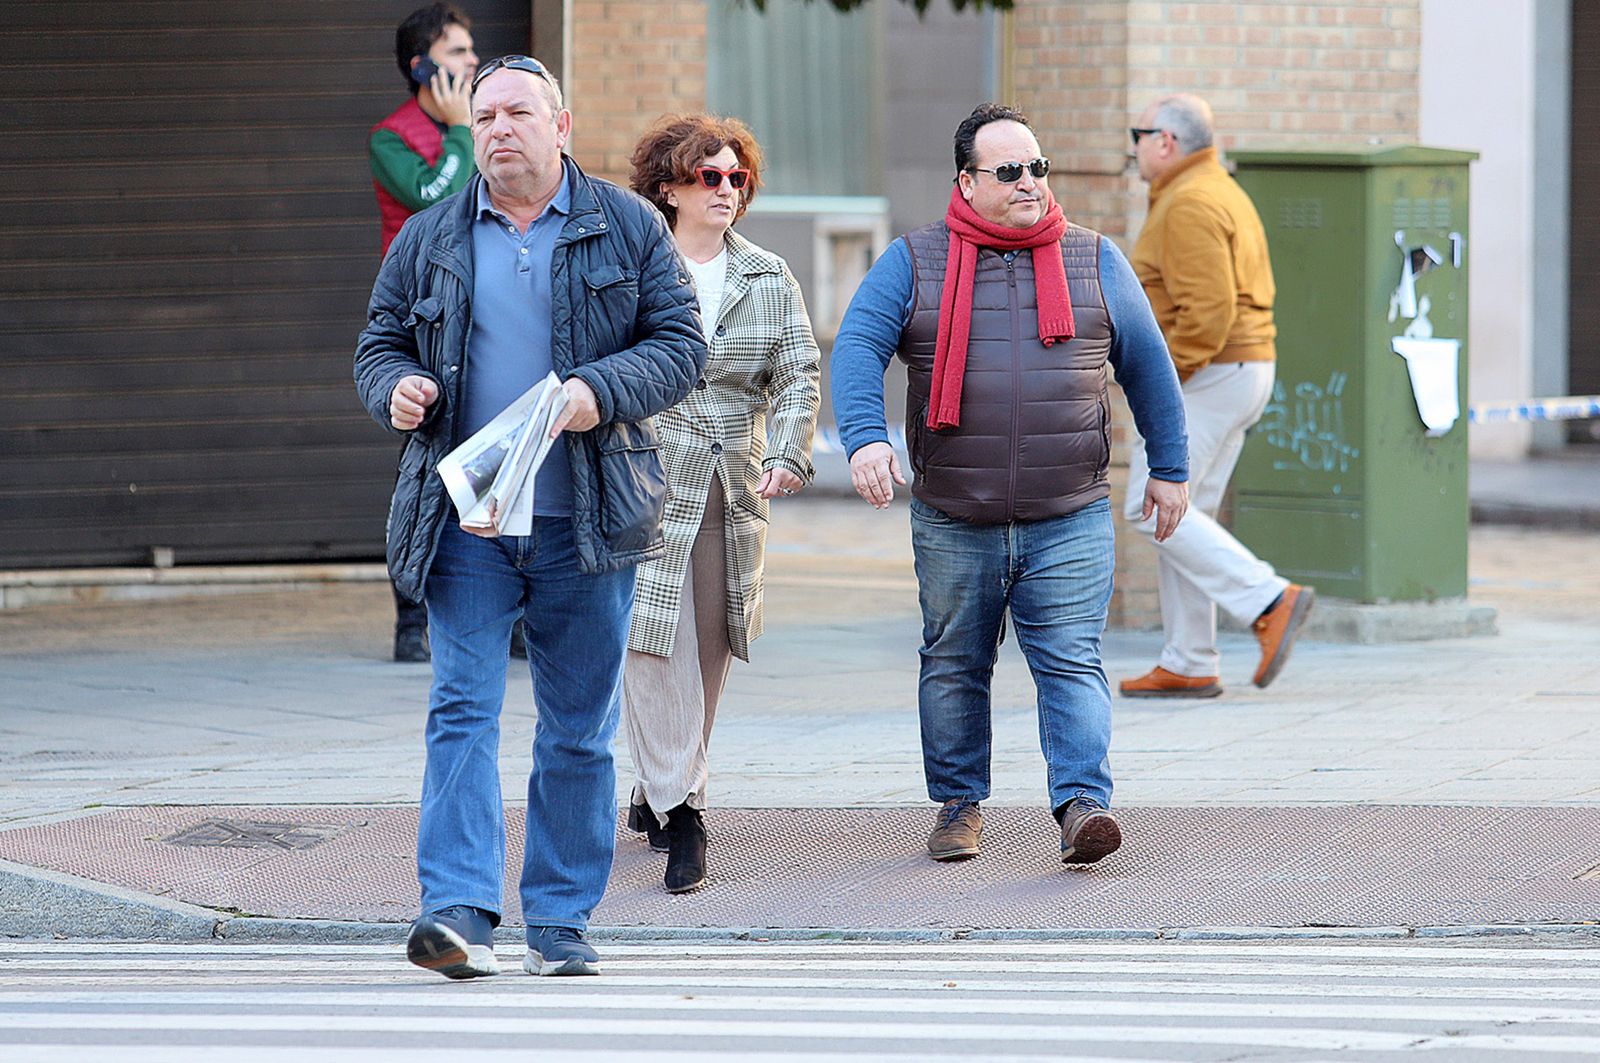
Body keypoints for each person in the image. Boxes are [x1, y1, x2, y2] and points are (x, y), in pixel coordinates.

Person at [354, 55, 707, 980]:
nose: (500, 128)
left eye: (519, 111)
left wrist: (599, 390)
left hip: (586, 521)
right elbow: (378, 344)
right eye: (485, 116)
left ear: (562, 124)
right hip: (466, 523)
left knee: (577, 726)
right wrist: (397, 388)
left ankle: (559, 920)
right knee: (461, 708)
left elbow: (681, 346)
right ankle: (458, 911)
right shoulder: (430, 235)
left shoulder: (626, 225)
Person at [830, 103, 1189, 867]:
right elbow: (858, 344)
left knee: (1071, 659)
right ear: (966, 181)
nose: (1030, 182)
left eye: (1037, 167)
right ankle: (959, 805)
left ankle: (1083, 804)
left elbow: (1149, 366)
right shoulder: (914, 260)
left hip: (1070, 512)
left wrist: (1170, 467)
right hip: (954, 514)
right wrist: (865, 437)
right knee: (954, 662)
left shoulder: (1095, 258)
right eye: (1010, 171)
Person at [622, 114, 821, 894]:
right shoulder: (634, 269)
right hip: (644, 479)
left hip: (732, 487)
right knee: (650, 641)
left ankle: (660, 785)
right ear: (668, 189)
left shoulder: (768, 275)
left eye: (738, 177)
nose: (727, 189)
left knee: (710, 647)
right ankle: (686, 811)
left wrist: (788, 452)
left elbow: (799, 370)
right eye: (709, 176)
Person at [1120, 93, 1314, 699]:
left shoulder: (1190, 202)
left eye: (1137, 135)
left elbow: (1206, 313)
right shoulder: (1212, 188)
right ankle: (1190, 660)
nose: (1133, 148)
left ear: (1166, 142)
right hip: (1237, 370)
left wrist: (1159, 381)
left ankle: (1268, 597)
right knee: (1184, 512)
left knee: (1148, 503)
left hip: (1210, 373)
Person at [369, 3, 479, 662]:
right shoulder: (392, 137)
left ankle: (510, 615)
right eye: (457, 52)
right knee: (423, 459)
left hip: (485, 312)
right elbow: (436, 199)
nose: (473, 61)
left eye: (471, 49)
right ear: (421, 68)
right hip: (424, 319)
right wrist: (462, 133)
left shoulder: (490, 122)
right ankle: (411, 620)